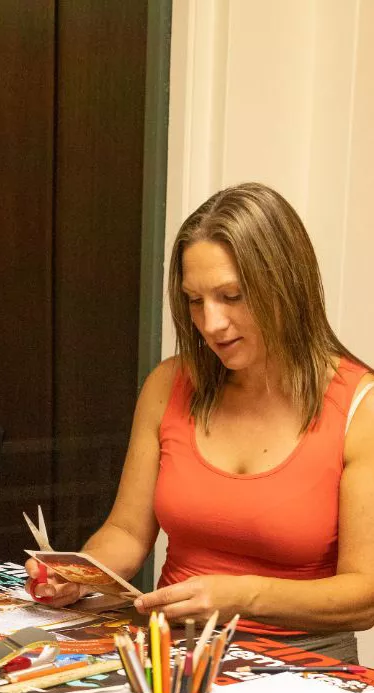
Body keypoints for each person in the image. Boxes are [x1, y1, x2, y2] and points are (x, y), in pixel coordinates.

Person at [26, 183, 374, 658]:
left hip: (304, 670)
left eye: (232, 296)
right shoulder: (169, 385)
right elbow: (127, 533)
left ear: (288, 284)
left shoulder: (361, 406)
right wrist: (81, 574)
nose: (211, 324)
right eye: (194, 300)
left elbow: (365, 596)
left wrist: (240, 596)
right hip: (173, 655)